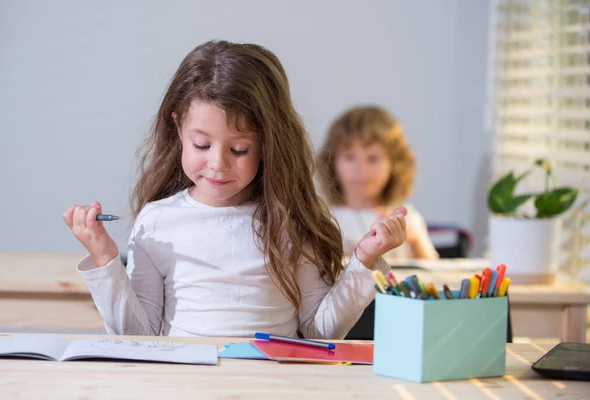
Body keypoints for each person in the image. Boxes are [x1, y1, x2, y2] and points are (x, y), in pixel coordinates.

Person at [62, 41, 407, 339]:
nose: (218, 164)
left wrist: (365, 260)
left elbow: (322, 330)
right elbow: (139, 335)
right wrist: (104, 257)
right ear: (178, 128)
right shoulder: (156, 223)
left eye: (238, 150)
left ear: (268, 144)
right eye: (201, 145)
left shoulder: (289, 221)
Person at [317, 105, 438, 260]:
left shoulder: (405, 216)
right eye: (349, 157)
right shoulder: (321, 218)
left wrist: (414, 240)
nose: (361, 169)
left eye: (373, 159)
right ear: (331, 162)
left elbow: (433, 270)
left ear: (395, 165)